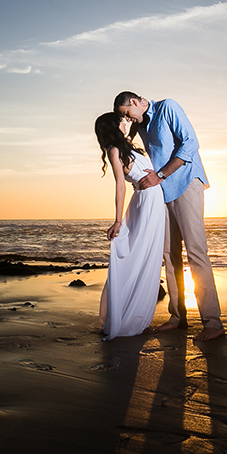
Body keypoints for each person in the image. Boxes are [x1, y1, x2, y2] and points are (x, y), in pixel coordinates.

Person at [114, 92, 225, 342]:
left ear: (134, 102)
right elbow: (127, 146)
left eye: (126, 113)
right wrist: (122, 130)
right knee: (168, 254)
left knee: (196, 251)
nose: (128, 118)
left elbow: (191, 144)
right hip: (161, 193)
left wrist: (160, 175)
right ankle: (177, 317)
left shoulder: (168, 107)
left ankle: (213, 322)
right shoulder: (140, 125)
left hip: (186, 183)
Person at [94, 112, 166, 340]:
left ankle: (138, 317)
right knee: (142, 258)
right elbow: (120, 187)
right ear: (113, 127)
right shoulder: (114, 151)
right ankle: (132, 320)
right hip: (145, 203)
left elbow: (134, 124)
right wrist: (117, 220)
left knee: (149, 258)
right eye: (120, 121)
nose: (125, 123)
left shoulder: (126, 145)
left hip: (153, 200)